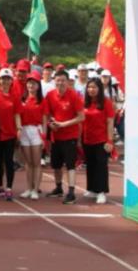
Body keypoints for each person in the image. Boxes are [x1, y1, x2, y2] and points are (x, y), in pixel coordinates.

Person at [43, 69, 85, 205]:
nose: (60, 83)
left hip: (70, 136)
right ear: (54, 81)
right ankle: (58, 187)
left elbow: (81, 117)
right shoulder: (50, 95)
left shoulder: (74, 96)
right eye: (58, 80)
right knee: (56, 165)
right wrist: (51, 124)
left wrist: (63, 124)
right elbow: (47, 115)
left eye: (63, 80)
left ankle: (71, 192)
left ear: (67, 82)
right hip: (56, 136)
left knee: (70, 165)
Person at [0, 68, 21, 200]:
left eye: (8, 79)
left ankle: (9, 188)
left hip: (10, 134)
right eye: (3, 79)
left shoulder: (15, 96)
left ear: (11, 81)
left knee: (8, 161)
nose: (5, 81)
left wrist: (19, 129)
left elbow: (17, 114)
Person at [82, 78, 115, 204]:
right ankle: (92, 189)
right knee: (90, 165)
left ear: (100, 89)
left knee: (101, 166)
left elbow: (110, 122)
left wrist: (110, 140)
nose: (91, 89)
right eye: (89, 87)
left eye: (94, 87)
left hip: (101, 140)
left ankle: (101, 191)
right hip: (87, 139)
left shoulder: (106, 102)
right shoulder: (84, 102)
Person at [17, 74, 45, 199]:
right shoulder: (22, 100)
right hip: (24, 130)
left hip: (36, 131)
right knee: (28, 163)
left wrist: (44, 137)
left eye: (34, 83)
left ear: (38, 86)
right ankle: (28, 188)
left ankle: (35, 189)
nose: (31, 85)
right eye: (29, 83)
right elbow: (18, 116)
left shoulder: (42, 101)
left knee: (36, 162)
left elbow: (45, 119)